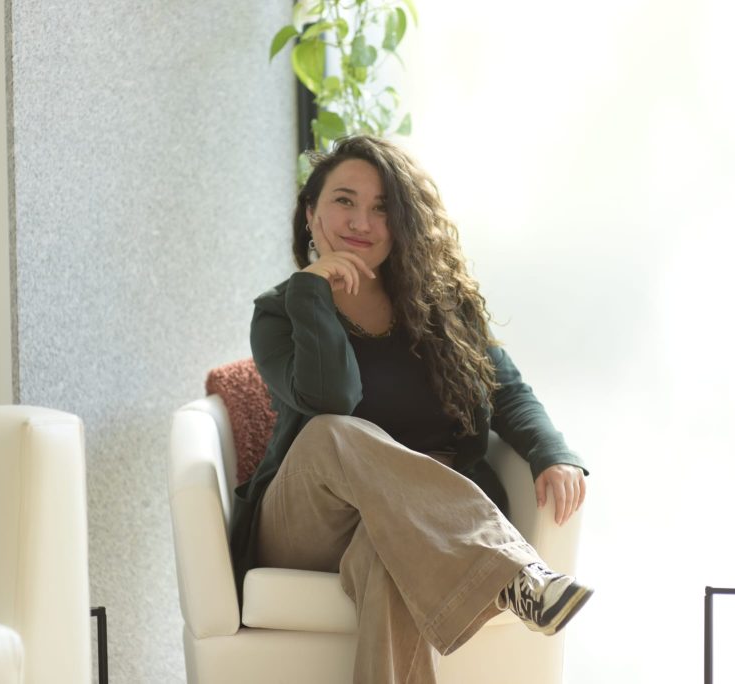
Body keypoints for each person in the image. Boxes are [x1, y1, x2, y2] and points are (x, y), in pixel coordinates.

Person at [230, 135, 591, 683]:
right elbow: (331, 398)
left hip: (416, 521)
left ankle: (480, 554)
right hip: (310, 515)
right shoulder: (280, 312)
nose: (362, 222)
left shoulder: (441, 305)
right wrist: (313, 293)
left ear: (401, 223)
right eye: (344, 201)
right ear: (310, 213)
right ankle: (512, 570)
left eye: (382, 208)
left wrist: (553, 453)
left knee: (392, 549)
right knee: (330, 432)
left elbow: (507, 390)